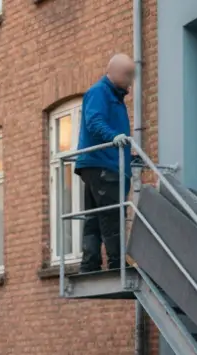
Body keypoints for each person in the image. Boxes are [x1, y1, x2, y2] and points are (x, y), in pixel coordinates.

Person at [75, 53, 136, 273]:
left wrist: (129, 156)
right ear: (114, 73)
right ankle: (117, 263)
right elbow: (94, 121)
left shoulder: (113, 96)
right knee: (112, 216)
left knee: (94, 217)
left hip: (99, 164)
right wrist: (113, 137)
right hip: (103, 165)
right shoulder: (100, 92)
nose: (131, 81)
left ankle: (90, 264)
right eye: (128, 75)